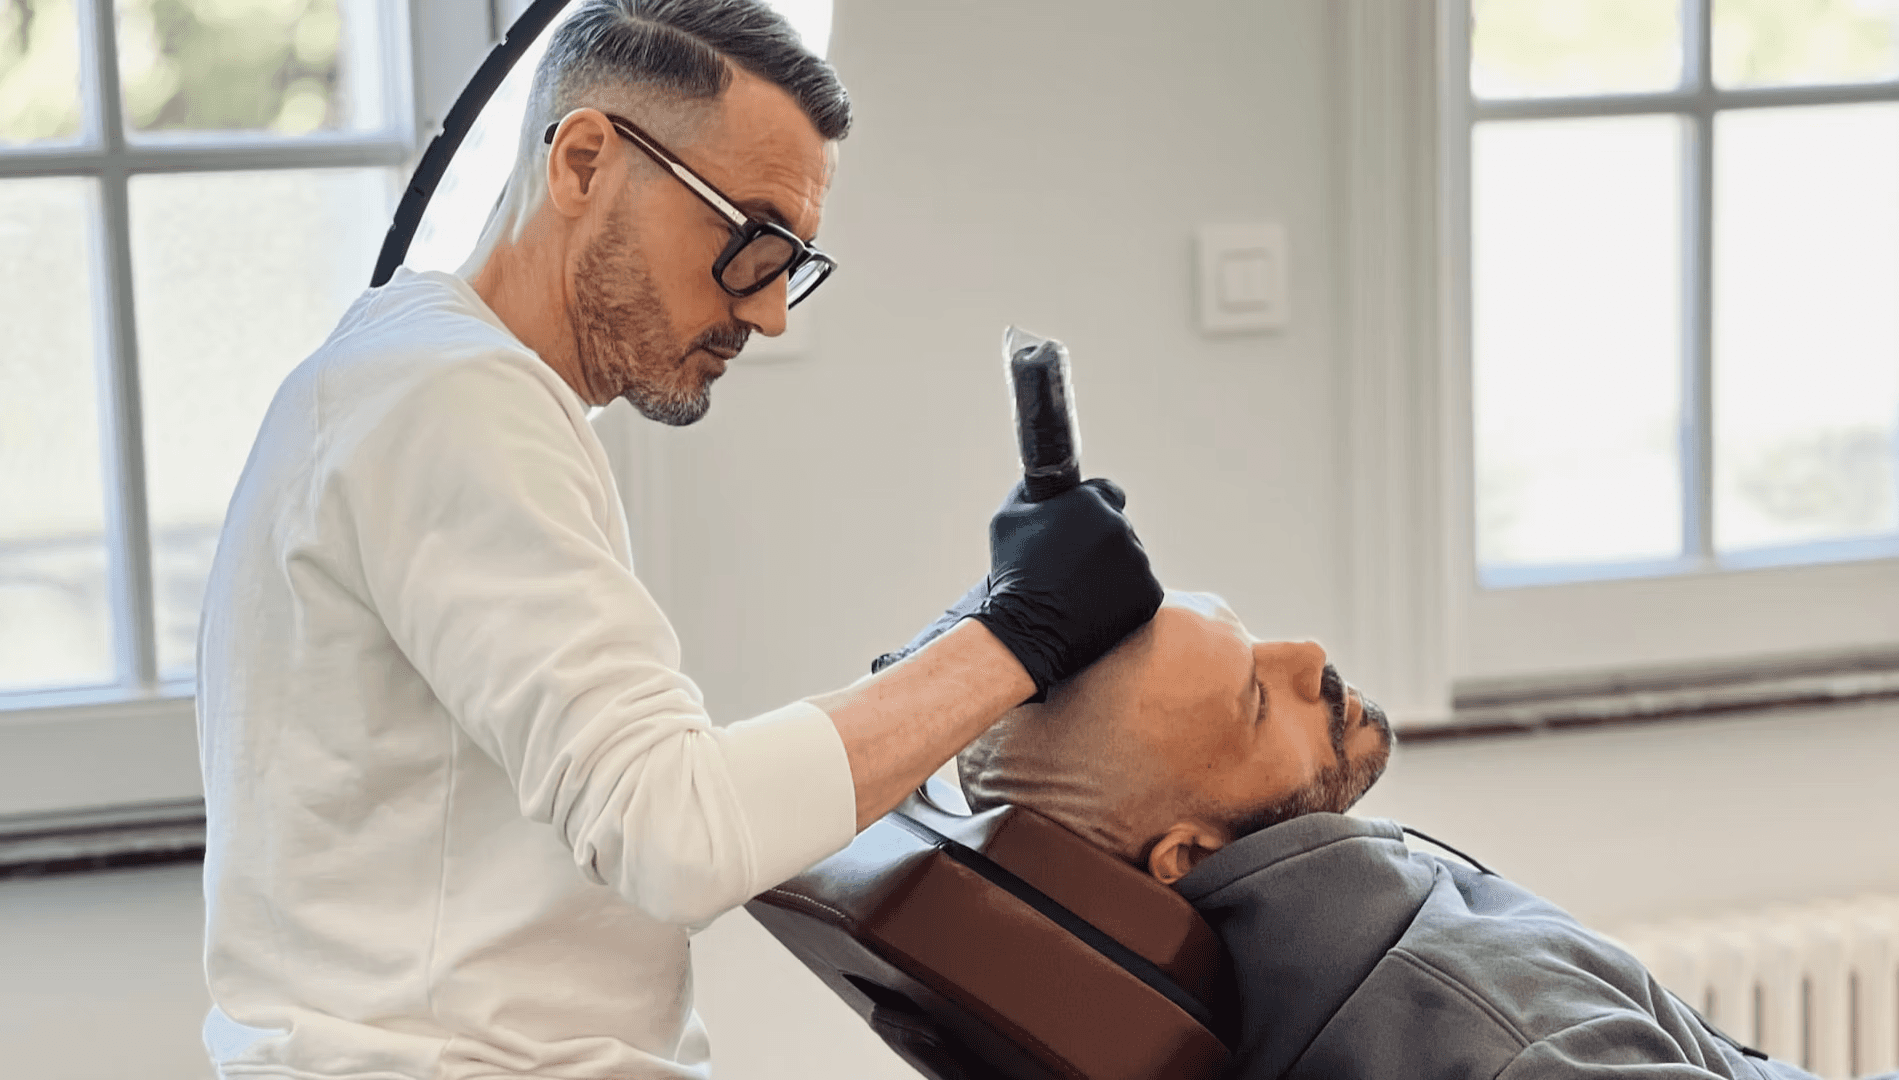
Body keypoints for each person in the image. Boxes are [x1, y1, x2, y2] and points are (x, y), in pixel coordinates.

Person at [194, 2, 1162, 1077]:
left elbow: (648, 785)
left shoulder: (405, 375)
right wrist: (1015, 637)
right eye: (751, 238)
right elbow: (674, 835)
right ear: (585, 161)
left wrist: (969, 645)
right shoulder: (453, 404)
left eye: (792, 261)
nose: (770, 312)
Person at [958, 591, 1833, 1080]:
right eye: (1256, 703)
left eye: (1256, 642)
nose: (1307, 655)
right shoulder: (1498, 1028)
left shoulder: (1337, 983)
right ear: (1188, 857)